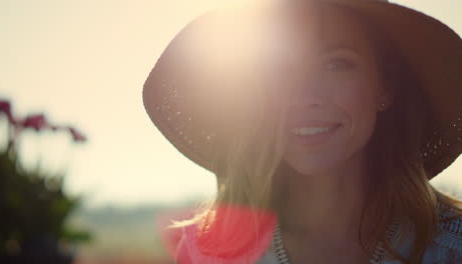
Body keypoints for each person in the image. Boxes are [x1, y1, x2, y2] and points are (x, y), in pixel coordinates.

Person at [142, 0, 462, 263]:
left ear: (384, 86)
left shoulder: (452, 247)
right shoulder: (208, 254)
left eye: (336, 64)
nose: (304, 97)